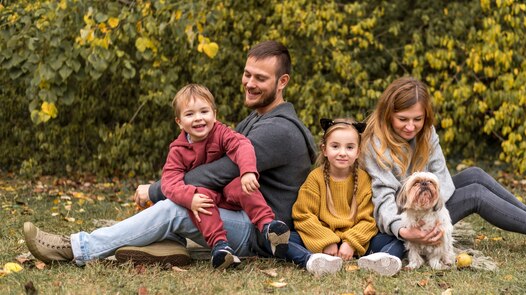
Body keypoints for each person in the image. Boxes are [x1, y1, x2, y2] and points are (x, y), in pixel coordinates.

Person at [22, 40, 317, 267]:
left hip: (259, 232)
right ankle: (166, 244)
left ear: (282, 82)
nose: (250, 84)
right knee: (180, 204)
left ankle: (76, 248)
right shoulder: (256, 119)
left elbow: (215, 173)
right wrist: (170, 187)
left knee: (173, 208)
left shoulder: (278, 130)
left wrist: (156, 189)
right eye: (247, 74)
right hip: (236, 213)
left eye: (260, 78)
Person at [361, 76, 526, 260]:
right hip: (400, 217)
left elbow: (443, 179)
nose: (411, 126)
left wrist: (431, 206)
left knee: (474, 174)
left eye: (418, 119)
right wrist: (405, 230)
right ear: (387, 113)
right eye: (403, 119)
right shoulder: (375, 143)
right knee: (475, 194)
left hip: (426, 206)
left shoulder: (426, 133)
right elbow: (382, 199)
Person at [158, 83, 290, 269]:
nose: (198, 119)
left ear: (214, 114)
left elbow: (241, 145)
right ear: (179, 121)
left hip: (230, 191)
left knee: (242, 186)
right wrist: (189, 198)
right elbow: (169, 182)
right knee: (202, 200)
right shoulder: (178, 150)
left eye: (204, 111)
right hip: (207, 196)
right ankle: (221, 246)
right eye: (190, 114)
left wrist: (247, 171)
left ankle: (269, 226)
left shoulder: (221, 132)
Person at [287, 118, 404, 276]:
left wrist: (350, 243)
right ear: (324, 149)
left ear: (357, 151)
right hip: (322, 243)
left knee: (399, 237)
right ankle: (313, 260)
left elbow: (368, 219)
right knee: (282, 239)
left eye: (349, 147)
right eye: (335, 146)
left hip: (357, 242)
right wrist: (327, 241)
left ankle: (382, 259)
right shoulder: (315, 178)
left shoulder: (364, 179)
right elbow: (303, 215)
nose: (342, 153)